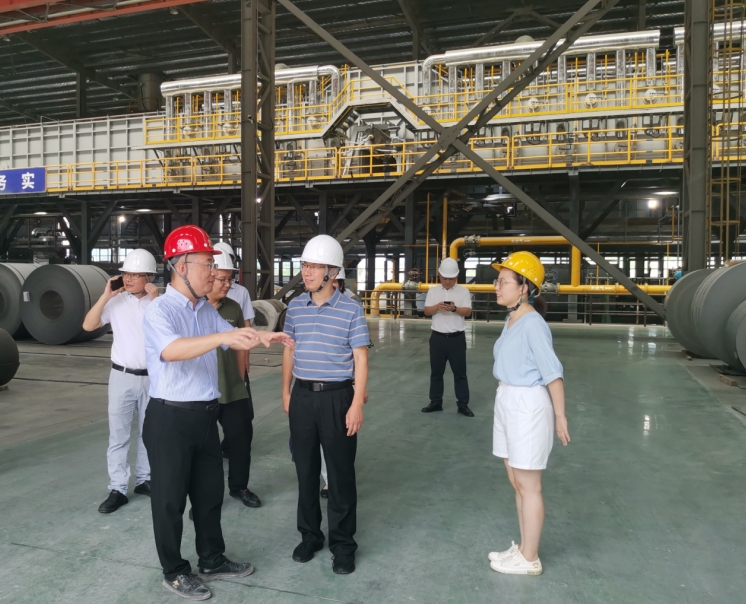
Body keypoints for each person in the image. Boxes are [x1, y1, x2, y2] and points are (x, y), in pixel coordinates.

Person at [141, 225, 292, 600]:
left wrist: (263, 336)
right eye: (207, 264)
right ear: (181, 267)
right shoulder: (159, 310)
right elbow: (172, 350)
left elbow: (231, 335)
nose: (213, 272)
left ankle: (212, 559)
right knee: (170, 502)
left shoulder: (204, 311)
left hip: (205, 416)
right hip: (170, 419)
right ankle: (175, 571)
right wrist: (223, 337)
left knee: (209, 497)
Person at [282, 234, 369, 575]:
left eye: (315, 267)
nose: (307, 272)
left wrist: (357, 403)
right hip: (303, 396)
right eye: (305, 265)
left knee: (340, 473)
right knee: (305, 471)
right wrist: (286, 392)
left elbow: (360, 359)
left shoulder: (351, 309)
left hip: (338, 398)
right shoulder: (294, 307)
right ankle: (310, 536)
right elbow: (289, 350)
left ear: (332, 273)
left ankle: (343, 545)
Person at [487, 251, 570, 576]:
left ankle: (530, 558)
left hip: (527, 406)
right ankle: (523, 548)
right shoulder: (512, 319)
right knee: (516, 481)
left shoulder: (533, 324)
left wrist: (560, 417)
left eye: (503, 282)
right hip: (507, 398)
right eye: (497, 281)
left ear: (524, 288)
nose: (496, 286)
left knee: (529, 485)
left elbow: (553, 373)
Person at [83, 249, 159, 514]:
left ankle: (144, 479)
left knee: (149, 432)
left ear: (150, 277)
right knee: (119, 435)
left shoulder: (159, 303)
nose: (128, 279)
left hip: (152, 378)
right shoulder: (115, 302)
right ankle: (117, 488)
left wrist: (156, 302)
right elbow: (88, 325)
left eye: (136, 275)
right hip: (122, 376)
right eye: (126, 273)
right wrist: (106, 295)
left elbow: (171, 333)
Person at [207, 251, 261, 508]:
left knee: (241, 440)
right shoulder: (194, 307)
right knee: (206, 450)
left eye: (230, 279)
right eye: (222, 279)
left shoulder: (233, 307)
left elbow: (241, 348)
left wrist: (240, 381)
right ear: (209, 276)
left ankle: (239, 486)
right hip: (203, 391)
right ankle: (206, 497)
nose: (228, 285)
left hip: (232, 388)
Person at [421, 257, 474, 417]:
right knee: (436, 373)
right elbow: (426, 311)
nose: (447, 281)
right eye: (444, 278)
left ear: (456, 276)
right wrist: (437, 307)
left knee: (460, 373)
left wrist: (454, 309)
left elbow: (468, 312)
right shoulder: (433, 291)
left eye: (451, 278)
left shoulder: (463, 291)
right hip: (437, 338)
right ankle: (436, 402)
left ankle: (463, 404)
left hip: (457, 339)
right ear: (439, 276)